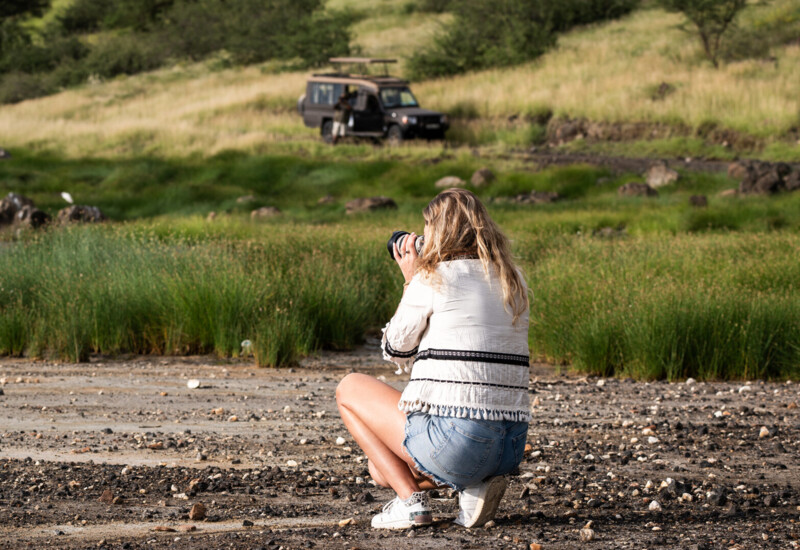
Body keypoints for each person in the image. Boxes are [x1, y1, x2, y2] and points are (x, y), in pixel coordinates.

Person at [336, 188, 531, 530]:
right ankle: (474, 486)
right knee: (379, 470)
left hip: (461, 442)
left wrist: (411, 281)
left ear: (440, 233)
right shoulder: (512, 279)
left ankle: (412, 504)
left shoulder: (432, 277)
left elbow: (396, 348)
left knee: (349, 388)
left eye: (428, 229)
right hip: (511, 447)